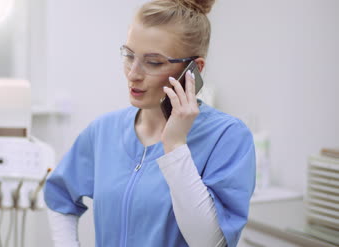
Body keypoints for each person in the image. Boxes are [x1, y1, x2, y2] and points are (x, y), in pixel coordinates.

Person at [44, 0, 256, 246]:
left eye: (153, 62)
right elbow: (60, 196)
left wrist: (175, 146)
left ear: (193, 69)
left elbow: (210, 242)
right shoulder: (104, 131)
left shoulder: (227, 137)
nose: (133, 73)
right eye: (129, 55)